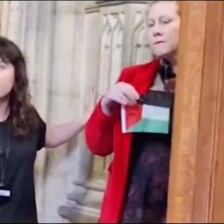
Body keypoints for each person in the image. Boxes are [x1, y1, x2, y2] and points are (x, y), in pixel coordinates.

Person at [85, 1, 180, 223]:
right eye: (150, 23)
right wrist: (106, 105)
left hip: (185, 199)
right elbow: (99, 146)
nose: (156, 29)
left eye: (165, 22)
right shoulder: (133, 77)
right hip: (133, 203)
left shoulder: (210, 84)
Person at [0, 36, 88, 223]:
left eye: (1, 67)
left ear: (17, 74)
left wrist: (86, 119)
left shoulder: (26, 117)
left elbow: (51, 136)